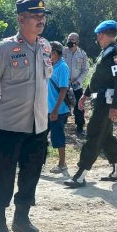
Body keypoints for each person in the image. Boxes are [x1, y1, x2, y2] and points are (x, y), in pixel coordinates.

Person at [0, 0, 53, 232]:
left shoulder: (45, 47)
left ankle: (21, 218)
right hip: (8, 125)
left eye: (43, 15)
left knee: (31, 172)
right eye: (35, 16)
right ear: (21, 19)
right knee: (3, 173)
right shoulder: (4, 48)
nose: (41, 20)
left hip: (38, 125)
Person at [64, 20, 117, 188]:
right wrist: (85, 95)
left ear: (101, 34)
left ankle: (80, 175)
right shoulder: (105, 52)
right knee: (105, 136)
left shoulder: (116, 54)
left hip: (106, 104)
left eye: (97, 36)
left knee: (93, 134)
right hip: (99, 101)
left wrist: (114, 107)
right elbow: (96, 78)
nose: (97, 39)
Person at [47, 41, 71, 174]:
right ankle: (39, 161)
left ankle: (62, 164)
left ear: (55, 53)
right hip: (47, 109)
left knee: (58, 137)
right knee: (40, 136)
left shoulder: (62, 67)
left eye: (49, 53)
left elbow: (63, 89)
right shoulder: (51, 65)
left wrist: (55, 110)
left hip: (57, 110)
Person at [62, 33, 89, 136]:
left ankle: (79, 127)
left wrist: (77, 81)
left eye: (72, 39)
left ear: (77, 42)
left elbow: (85, 70)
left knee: (79, 106)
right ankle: (62, 125)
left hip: (77, 86)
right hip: (64, 85)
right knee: (63, 106)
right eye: (68, 39)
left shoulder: (82, 54)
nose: (69, 41)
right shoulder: (63, 52)